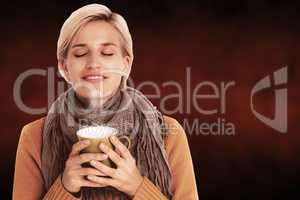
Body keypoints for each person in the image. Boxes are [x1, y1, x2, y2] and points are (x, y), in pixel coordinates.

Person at [13, 4, 198, 200]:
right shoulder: (34, 137)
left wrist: (137, 186)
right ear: (64, 66)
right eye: (80, 54)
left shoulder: (168, 133)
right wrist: (65, 187)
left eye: (107, 53)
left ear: (125, 64)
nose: (94, 63)